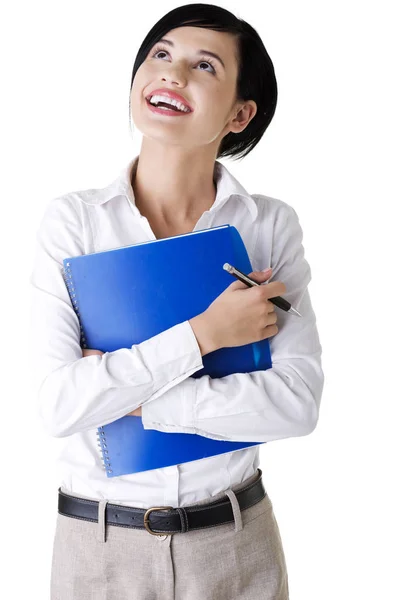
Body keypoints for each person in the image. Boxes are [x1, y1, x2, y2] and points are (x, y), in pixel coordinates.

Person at [29, 3, 324, 599]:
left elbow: (296, 405)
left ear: (241, 114)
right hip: (100, 548)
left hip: (237, 544)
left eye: (204, 66)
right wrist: (205, 334)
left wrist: (137, 401)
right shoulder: (75, 223)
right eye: (160, 54)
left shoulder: (267, 227)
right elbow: (59, 407)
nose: (171, 73)